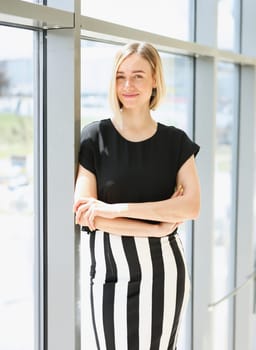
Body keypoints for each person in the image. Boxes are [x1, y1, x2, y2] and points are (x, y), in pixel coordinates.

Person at [73, 41, 200, 350]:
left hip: (164, 272)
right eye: (120, 76)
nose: (127, 85)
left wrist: (114, 211)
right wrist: (157, 225)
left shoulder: (175, 142)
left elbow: (192, 206)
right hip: (109, 273)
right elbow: (85, 215)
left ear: (155, 79)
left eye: (138, 75)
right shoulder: (94, 137)